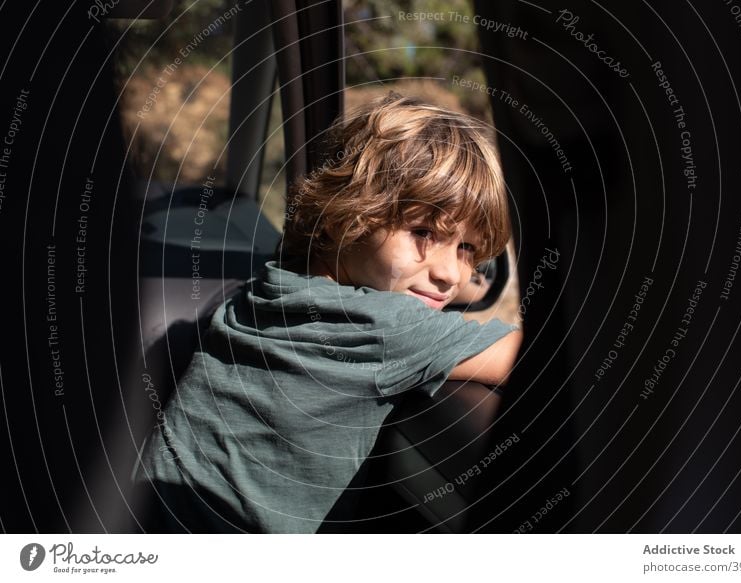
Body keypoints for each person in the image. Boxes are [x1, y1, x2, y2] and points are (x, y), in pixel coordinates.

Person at [133, 93, 522, 532]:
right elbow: (537, 355)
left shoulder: (274, 283)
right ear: (348, 219)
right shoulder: (386, 328)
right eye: (423, 232)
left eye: (468, 249)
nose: (451, 274)